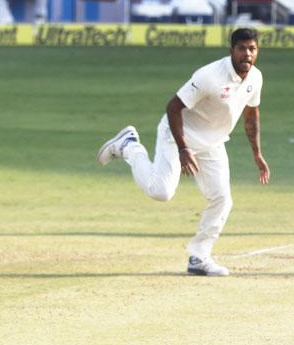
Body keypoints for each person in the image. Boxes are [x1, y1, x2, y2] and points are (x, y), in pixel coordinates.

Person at [96, 28, 269, 277]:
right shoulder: (210, 76)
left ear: (257, 51)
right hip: (177, 134)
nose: (247, 54)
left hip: (212, 143)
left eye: (252, 49)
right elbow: (173, 107)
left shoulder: (255, 78)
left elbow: (251, 115)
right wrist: (183, 148)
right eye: (241, 48)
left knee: (222, 199)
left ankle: (199, 257)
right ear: (231, 50)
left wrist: (257, 154)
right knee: (162, 192)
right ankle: (129, 146)